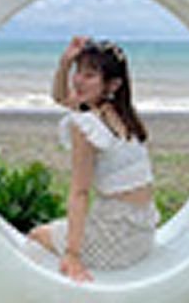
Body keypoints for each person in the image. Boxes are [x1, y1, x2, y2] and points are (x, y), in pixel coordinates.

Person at [26, 36, 160, 282]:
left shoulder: (86, 125)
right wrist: (65, 63)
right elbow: (60, 97)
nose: (78, 80)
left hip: (112, 241)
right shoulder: (121, 113)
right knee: (57, 230)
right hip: (142, 235)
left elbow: (80, 192)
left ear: (112, 84)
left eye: (89, 75)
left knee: (36, 236)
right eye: (77, 72)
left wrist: (72, 254)